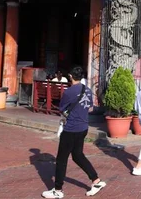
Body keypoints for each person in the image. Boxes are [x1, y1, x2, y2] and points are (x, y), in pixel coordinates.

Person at [41, 67, 106, 198]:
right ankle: (96, 180)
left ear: (71, 76)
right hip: (83, 127)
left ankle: (58, 190)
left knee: (61, 159)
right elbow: (90, 108)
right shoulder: (87, 90)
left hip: (71, 128)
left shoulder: (69, 92)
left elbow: (62, 109)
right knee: (77, 155)